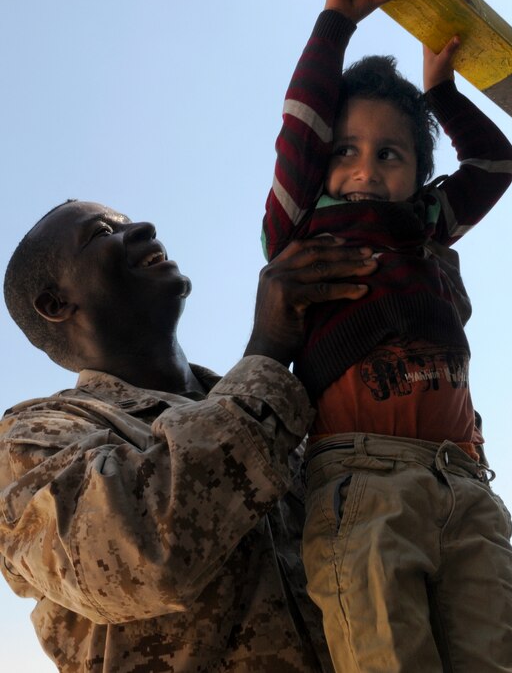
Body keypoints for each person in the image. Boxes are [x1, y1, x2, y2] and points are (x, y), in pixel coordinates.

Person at [0, 199, 378, 672]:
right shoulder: (30, 438)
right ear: (55, 304)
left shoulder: (279, 412)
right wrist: (267, 352)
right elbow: (139, 554)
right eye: (102, 232)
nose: (143, 226)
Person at [262, 0, 512, 671]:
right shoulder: (303, 227)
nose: (365, 170)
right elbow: (301, 128)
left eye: (390, 154)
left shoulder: (427, 228)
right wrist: (334, 27)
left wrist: (442, 97)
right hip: (362, 488)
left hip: (463, 483)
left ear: (417, 175)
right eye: (345, 152)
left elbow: (496, 162)